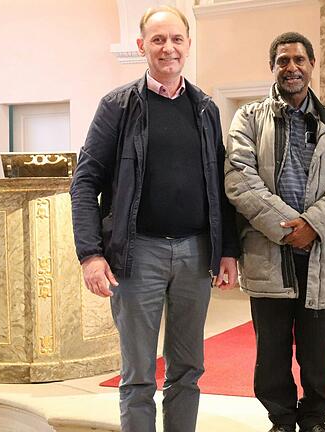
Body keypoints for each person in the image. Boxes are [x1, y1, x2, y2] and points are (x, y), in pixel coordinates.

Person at [69, 6, 239, 432]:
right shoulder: (117, 106)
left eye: (176, 39)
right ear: (142, 45)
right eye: (158, 40)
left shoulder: (204, 108)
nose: (169, 48)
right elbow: (85, 182)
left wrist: (228, 251)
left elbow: (220, 186)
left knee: (188, 369)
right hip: (136, 254)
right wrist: (90, 254)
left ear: (187, 44)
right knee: (139, 374)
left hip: (194, 251)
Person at [224, 32, 325, 432]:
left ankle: (316, 417)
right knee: (271, 349)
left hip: (322, 253)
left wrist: (314, 224)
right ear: (272, 67)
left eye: (299, 60)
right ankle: (282, 419)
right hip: (271, 250)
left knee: (319, 350)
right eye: (283, 60)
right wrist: (288, 228)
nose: (292, 67)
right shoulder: (249, 118)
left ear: (311, 66)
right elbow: (239, 178)